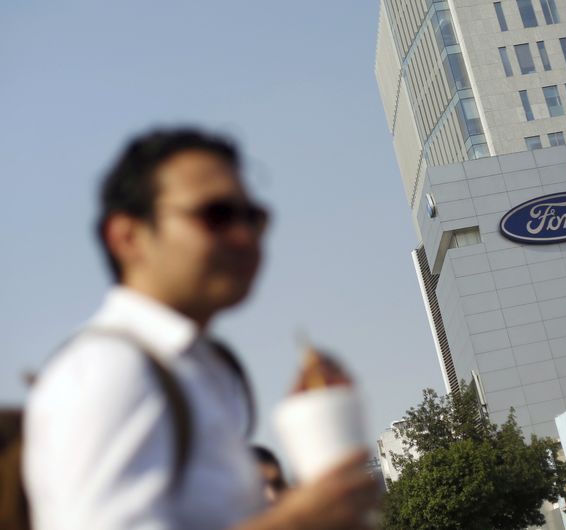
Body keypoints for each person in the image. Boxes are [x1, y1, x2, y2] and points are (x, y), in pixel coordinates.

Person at [23, 128, 379, 530]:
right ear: (127, 237)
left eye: (254, 217)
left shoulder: (200, 367)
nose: (245, 237)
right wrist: (295, 521)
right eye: (216, 216)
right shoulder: (109, 369)